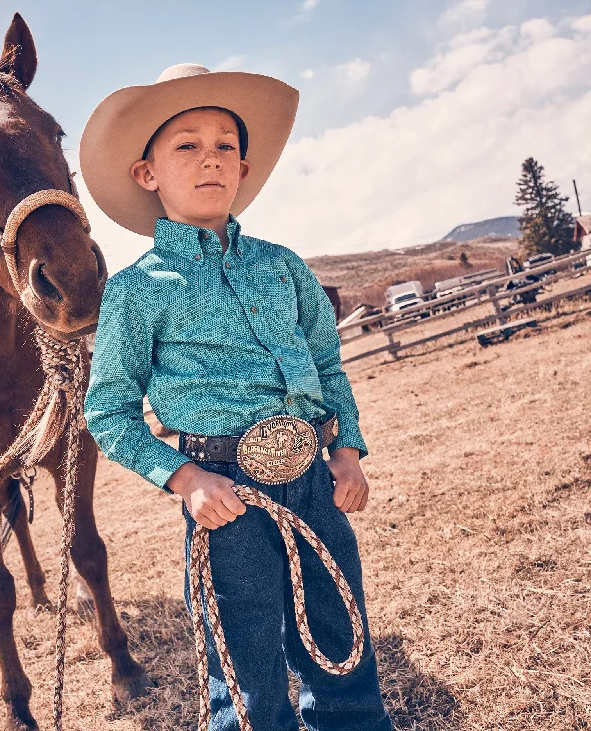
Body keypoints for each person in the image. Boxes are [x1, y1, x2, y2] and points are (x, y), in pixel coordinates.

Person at [80, 63, 392, 731]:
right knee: (246, 675)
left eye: (225, 146)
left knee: (344, 643)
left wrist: (347, 449)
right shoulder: (138, 291)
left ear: (244, 170)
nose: (210, 159)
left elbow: (328, 364)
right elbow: (106, 411)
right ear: (148, 173)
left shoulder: (283, 266)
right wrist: (184, 477)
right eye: (187, 145)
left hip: (313, 478)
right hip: (225, 497)